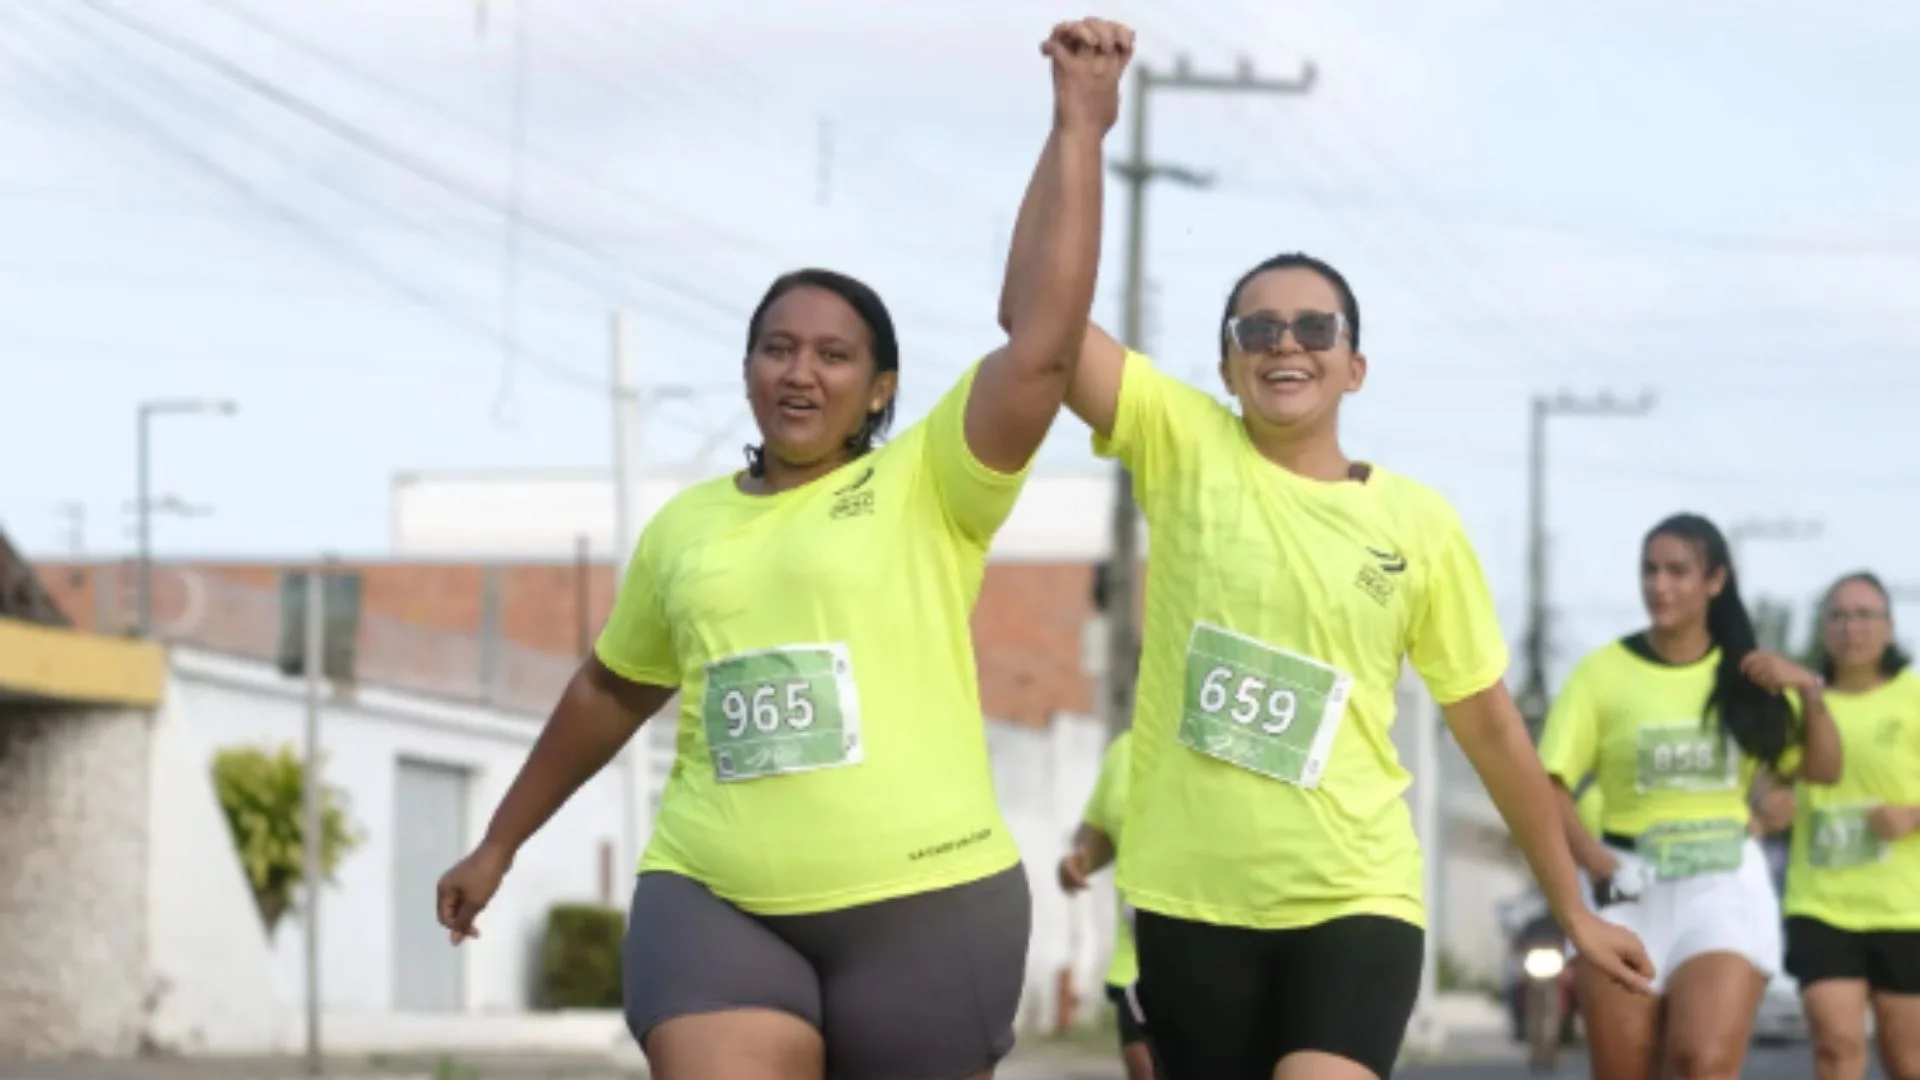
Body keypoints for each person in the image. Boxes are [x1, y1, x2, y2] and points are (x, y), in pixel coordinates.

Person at [431, 18, 1135, 1080]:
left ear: (881, 386)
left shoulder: (929, 482)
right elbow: (609, 694)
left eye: (834, 355)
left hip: (926, 906)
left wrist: (1076, 127)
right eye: (778, 348)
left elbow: (1041, 345)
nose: (801, 373)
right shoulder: (688, 526)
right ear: (749, 369)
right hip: (714, 898)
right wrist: (499, 843)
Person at [1000, 249, 1654, 1080]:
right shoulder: (1184, 445)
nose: (1286, 345)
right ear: (1228, 366)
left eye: (1315, 328)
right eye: (1258, 329)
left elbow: (1490, 727)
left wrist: (1572, 906)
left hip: (1355, 895)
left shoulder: (1418, 524)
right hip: (1190, 902)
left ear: (1355, 367)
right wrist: (1076, 134)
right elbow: (1035, 319)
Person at [1538, 512, 1843, 1080]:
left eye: (1678, 571)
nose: (1660, 585)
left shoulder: (1749, 676)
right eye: (1650, 570)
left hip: (1723, 885)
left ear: (1715, 581)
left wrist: (1810, 689)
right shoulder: (1602, 672)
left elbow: (1823, 770)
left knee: (1701, 1062)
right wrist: (1594, 859)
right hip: (1622, 884)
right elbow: (1548, 783)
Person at [1782, 571, 1920, 1080]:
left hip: (1905, 907)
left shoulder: (1912, 697)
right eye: (1837, 615)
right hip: (1820, 902)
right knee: (1837, 1047)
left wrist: (1912, 814)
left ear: (1888, 626)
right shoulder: (1801, 703)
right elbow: (1770, 781)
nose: (1851, 628)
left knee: (1908, 1060)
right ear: (1822, 628)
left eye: (1864, 615)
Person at [1058, 729, 1155, 1080]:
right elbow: (1098, 830)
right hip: (1136, 965)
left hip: (1227, 955)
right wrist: (1078, 860)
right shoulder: (1126, 748)